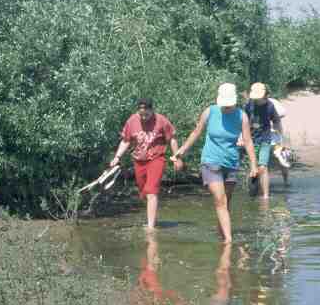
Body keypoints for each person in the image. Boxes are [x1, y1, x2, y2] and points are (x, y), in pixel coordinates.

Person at [173, 83, 258, 243]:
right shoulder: (210, 112)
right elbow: (197, 132)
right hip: (210, 162)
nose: (226, 107)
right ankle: (228, 241)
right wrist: (182, 150)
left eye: (229, 104)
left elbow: (248, 141)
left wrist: (253, 164)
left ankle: (222, 233)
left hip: (231, 163)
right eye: (224, 104)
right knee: (220, 200)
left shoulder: (242, 116)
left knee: (226, 202)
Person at [110, 98, 183, 229]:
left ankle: (150, 228)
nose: (144, 117)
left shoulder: (161, 120)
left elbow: (172, 139)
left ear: (152, 110)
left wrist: (177, 157)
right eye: (141, 114)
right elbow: (126, 141)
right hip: (139, 161)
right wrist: (117, 157)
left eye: (147, 114)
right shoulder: (132, 121)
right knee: (144, 193)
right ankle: (153, 217)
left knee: (151, 192)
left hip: (156, 159)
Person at [241, 83, 287, 197]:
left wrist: (281, 140)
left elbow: (277, 122)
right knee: (253, 167)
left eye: (260, 98)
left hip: (265, 140)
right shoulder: (248, 105)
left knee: (263, 166)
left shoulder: (270, 106)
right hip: (251, 140)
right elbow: (243, 122)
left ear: (266, 95)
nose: (258, 101)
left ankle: (265, 195)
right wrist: (241, 137)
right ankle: (252, 191)